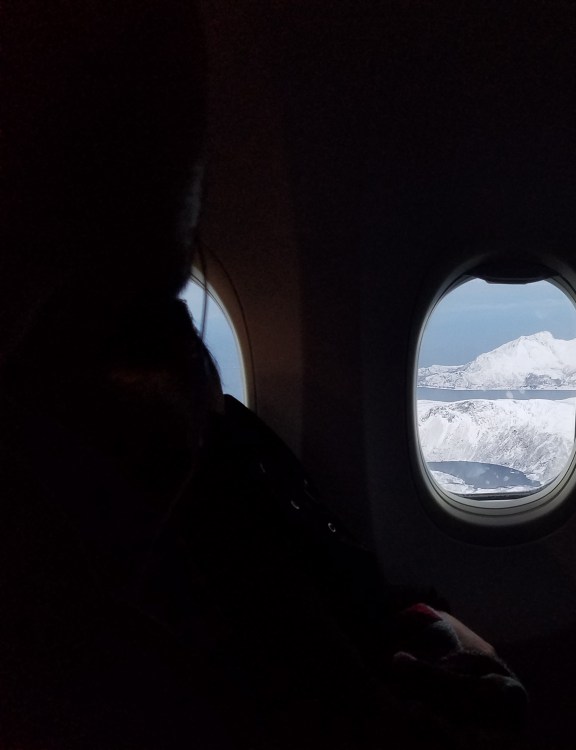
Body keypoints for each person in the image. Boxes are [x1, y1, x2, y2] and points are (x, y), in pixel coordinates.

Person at [0, 3, 524, 747]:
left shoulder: (212, 448)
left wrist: (419, 617)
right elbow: (295, 686)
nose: (177, 340)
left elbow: (308, 600)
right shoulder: (87, 511)